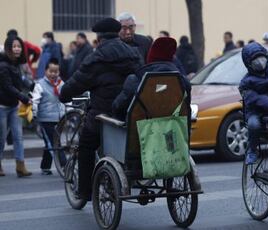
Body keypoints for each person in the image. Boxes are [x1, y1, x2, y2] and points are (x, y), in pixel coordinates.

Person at [59, 18, 143, 200]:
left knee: (86, 146)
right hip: (131, 114)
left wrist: (63, 94)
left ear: (99, 38)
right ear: (117, 34)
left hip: (103, 117)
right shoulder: (134, 54)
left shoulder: (96, 58)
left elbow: (77, 82)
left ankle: (85, 191)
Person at [112, 37, 191, 122]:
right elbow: (186, 111)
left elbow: (118, 107)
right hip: (173, 133)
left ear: (151, 56)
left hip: (140, 132)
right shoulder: (183, 82)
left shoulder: (135, 80)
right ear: (171, 58)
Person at [0, 36, 32, 177]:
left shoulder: (16, 64)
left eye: (19, 46)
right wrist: (24, 98)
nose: (17, 49)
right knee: (1, 138)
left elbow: (21, 82)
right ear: (8, 48)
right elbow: (7, 87)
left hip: (14, 106)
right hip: (2, 106)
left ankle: (20, 165)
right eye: (14, 46)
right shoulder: (2, 65)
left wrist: (34, 86)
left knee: (18, 136)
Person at [32, 58, 66, 175]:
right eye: (51, 71)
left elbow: (66, 99)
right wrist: (34, 114)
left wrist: (69, 111)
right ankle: (64, 166)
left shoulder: (61, 84)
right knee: (55, 143)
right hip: (45, 119)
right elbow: (35, 100)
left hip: (59, 118)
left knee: (50, 143)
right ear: (45, 71)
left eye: (56, 71)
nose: (53, 74)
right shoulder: (40, 84)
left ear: (59, 72)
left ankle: (45, 166)